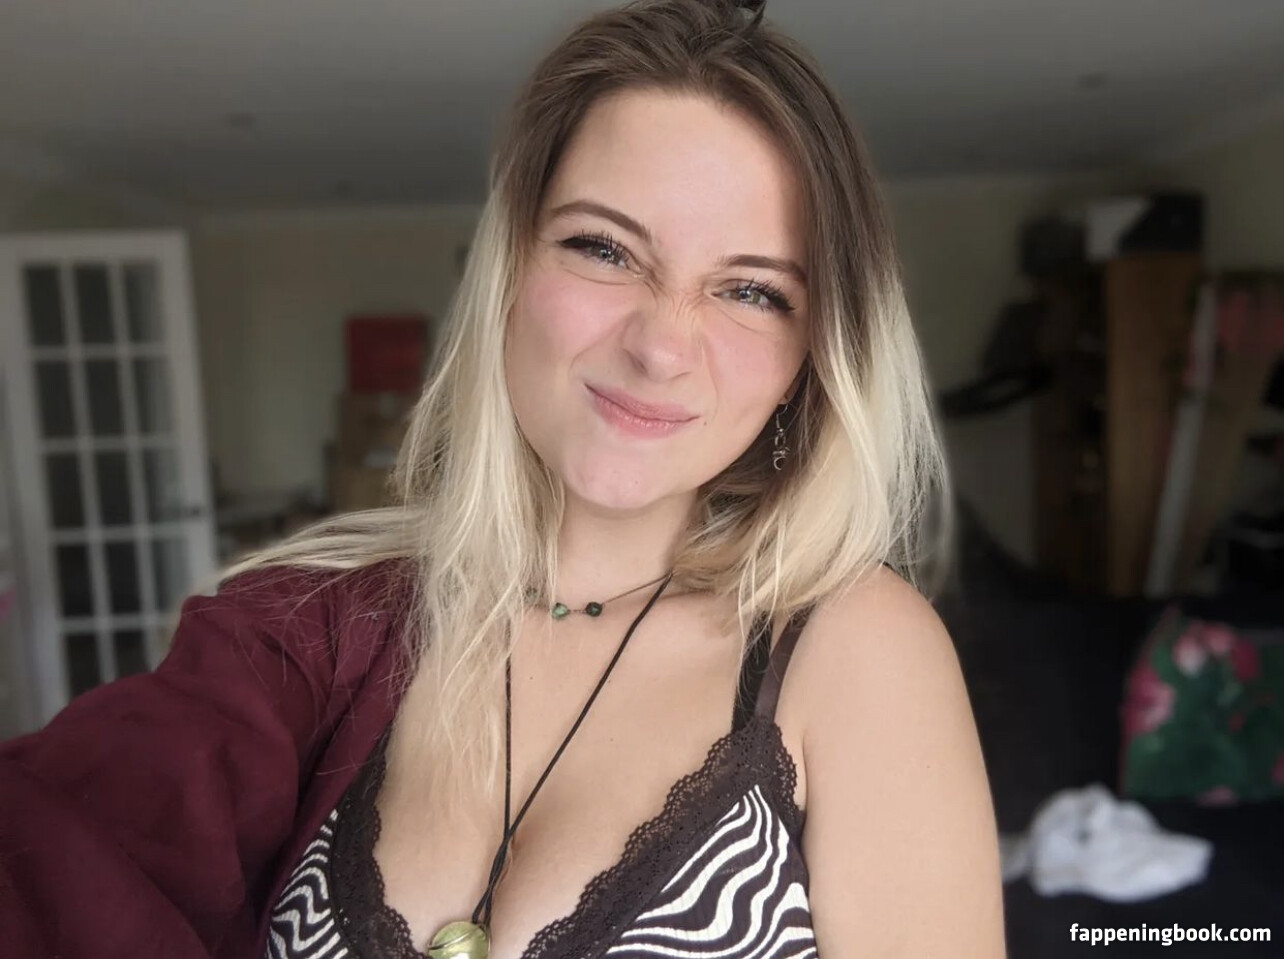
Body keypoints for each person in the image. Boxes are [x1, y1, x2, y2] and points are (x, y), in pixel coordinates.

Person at [0, 1, 1005, 956]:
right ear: (509, 272)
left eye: (750, 290)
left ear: (812, 356)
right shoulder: (311, 630)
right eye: (604, 248)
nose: (662, 345)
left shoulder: (854, 648)